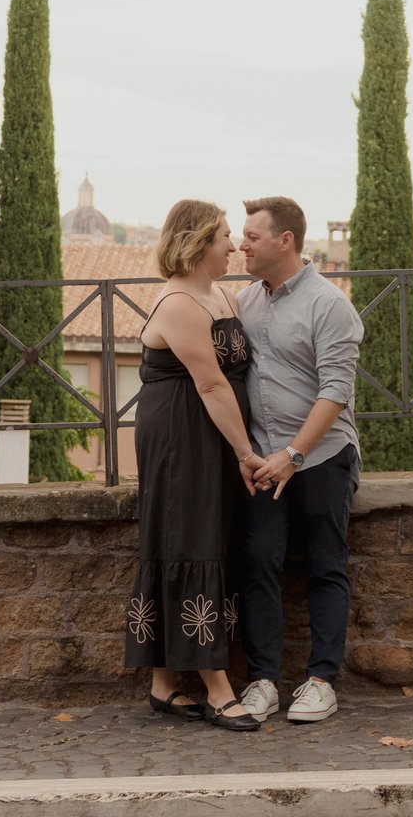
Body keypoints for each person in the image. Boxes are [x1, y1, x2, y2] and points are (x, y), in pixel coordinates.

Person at [124, 199, 265, 731]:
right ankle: (217, 689)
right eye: (225, 235)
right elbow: (210, 384)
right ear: (200, 242)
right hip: (181, 435)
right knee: (190, 539)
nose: (233, 245)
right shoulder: (179, 303)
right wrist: (246, 453)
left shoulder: (222, 294)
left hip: (210, 432)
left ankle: (163, 685)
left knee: (194, 539)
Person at [235, 196, 365, 724]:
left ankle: (321, 681)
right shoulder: (244, 302)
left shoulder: (329, 304)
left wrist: (294, 454)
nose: (241, 245)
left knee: (325, 564)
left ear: (284, 240)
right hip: (263, 460)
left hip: (323, 455)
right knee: (257, 562)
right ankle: (262, 681)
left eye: (252, 237)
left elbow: (336, 390)